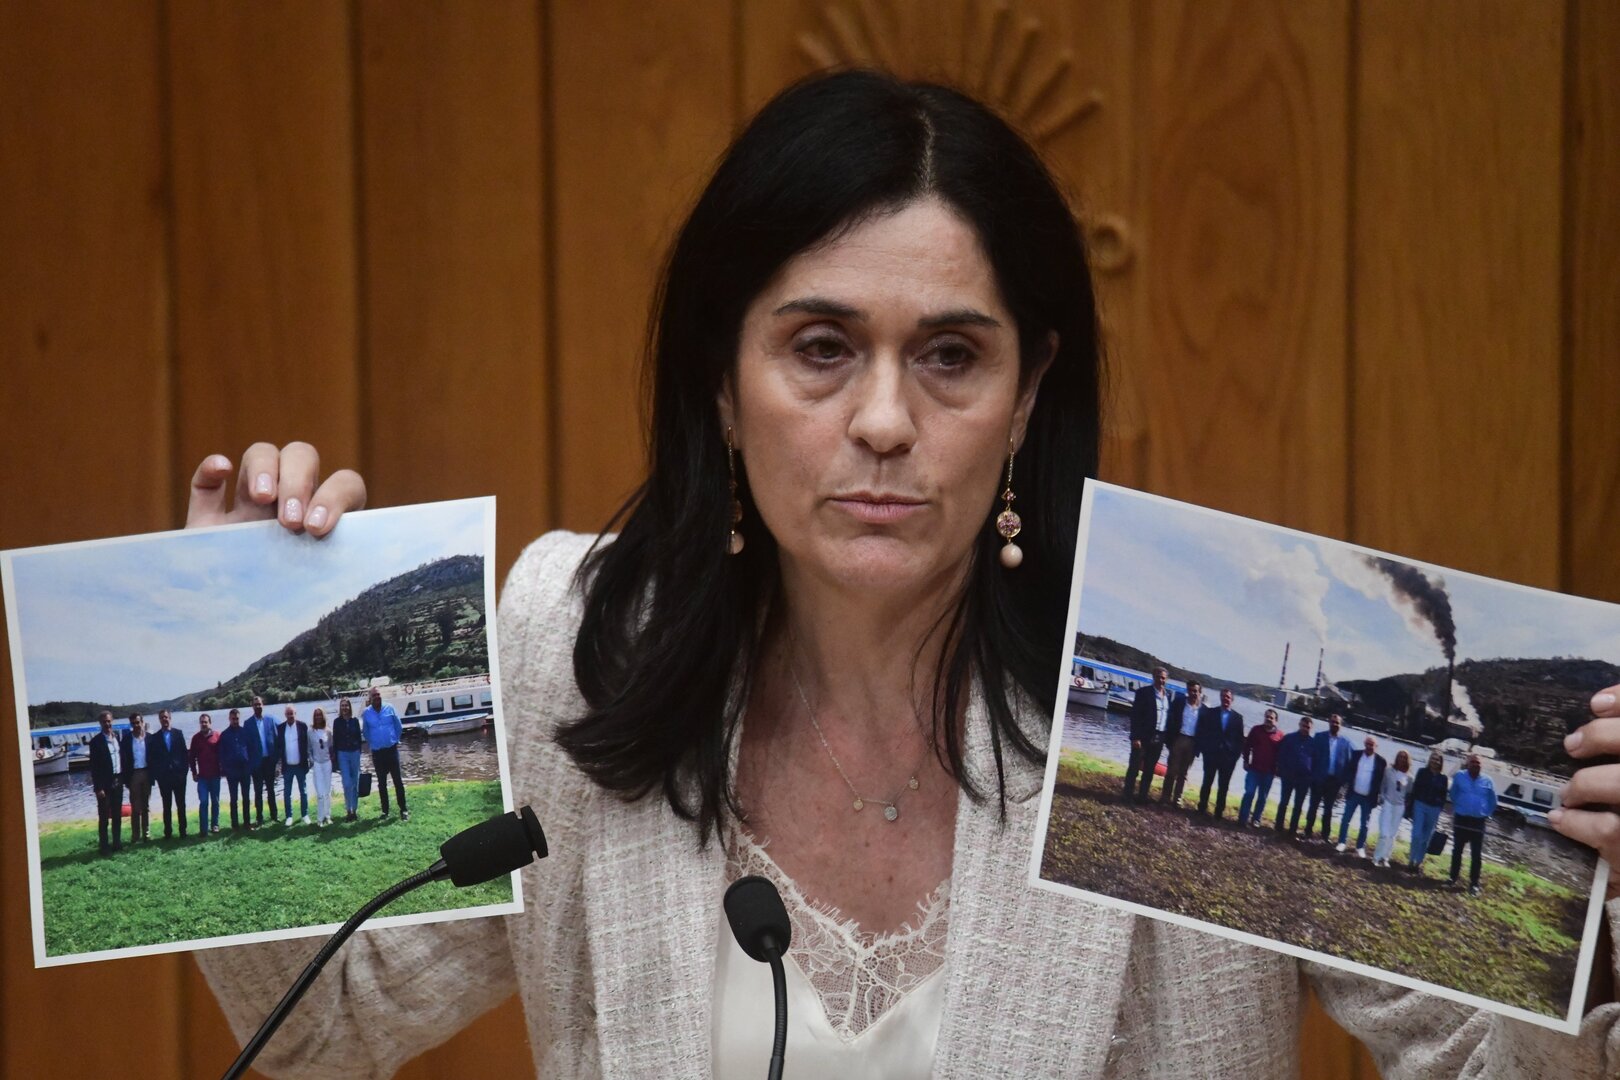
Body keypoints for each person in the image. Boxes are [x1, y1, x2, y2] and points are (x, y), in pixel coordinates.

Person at [188, 72, 1620, 1078]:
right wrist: (219, 628)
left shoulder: (1186, 676)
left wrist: (1608, 951)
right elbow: (329, 1028)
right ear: (721, 379)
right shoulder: (578, 637)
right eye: (820, 348)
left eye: (949, 355)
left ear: (1026, 392)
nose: (884, 420)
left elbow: (1484, 1066)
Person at [1449, 753, 1499, 896]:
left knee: (1476, 854)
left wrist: (1486, 813)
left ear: (1481, 765)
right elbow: (1453, 794)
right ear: (1467, 763)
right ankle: (1452, 877)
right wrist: (1460, 806)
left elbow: (1493, 801)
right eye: (1473, 762)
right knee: (1457, 850)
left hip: (1478, 822)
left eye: (1478, 763)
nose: (1475, 765)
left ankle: (1474, 884)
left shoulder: (1488, 780)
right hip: (1461, 818)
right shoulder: (1459, 776)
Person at [1195, 688, 1245, 819]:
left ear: (1232, 699)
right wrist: (1204, 749)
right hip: (1211, 754)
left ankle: (1218, 812)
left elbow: (1240, 740)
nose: (1225, 699)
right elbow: (1204, 732)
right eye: (1223, 696)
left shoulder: (1238, 718)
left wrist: (1235, 757)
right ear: (1220, 697)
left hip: (1227, 758)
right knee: (1207, 782)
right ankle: (1202, 807)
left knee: (1223, 786)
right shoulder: (1211, 713)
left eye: (1228, 697)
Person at [1303, 713, 1353, 842]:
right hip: (1318, 779)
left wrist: (1343, 782)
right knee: (1313, 806)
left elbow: (1348, 763)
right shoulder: (1319, 737)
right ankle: (1307, 831)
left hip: (1334, 782)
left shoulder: (1346, 743)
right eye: (1332, 722)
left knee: (1328, 809)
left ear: (1341, 725)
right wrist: (1311, 775)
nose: (1334, 724)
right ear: (1329, 722)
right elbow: (1311, 757)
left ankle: (1325, 836)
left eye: (1337, 723)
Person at [1123, 667, 1170, 801]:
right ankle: (1127, 795)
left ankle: (1142, 796)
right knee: (1134, 767)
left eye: (1163, 678)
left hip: (1159, 737)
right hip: (1143, 737)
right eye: (1158, 677)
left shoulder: (1167, 697)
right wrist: (1135, 737)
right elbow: (1135, 716)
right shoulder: (1143, 693)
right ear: (1153, 676)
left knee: (1149, 769)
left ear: (1166, 680)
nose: (1161, 680)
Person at [363, 687, 408, 821]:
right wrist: (374, 743)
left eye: (378, 694)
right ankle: (385, 811)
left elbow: (398, 726)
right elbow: (365, 732)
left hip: (391, 750)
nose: (377, 697)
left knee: (397, 781)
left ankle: (403, 809)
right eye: (374, 695)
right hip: (377, 753)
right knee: (382, 783)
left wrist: (395, 739)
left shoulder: (390, 708)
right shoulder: (366, 713)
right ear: (370, 699)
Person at [1336, 736, 1386, 856]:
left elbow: (1380, 781)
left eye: (1372, 745)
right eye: (1367, 744)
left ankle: (1360, 847)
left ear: (1376, 747)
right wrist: (1342, 788)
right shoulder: (1356, 755)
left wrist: (1379, 796)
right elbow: (1348, 772)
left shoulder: (1381, 761)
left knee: (1365, 824)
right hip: (1353, 794)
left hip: (1368, 797)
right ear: (1364, 744)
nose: (1369, 747)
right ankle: (1342, 842)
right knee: (1345, 819)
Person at [1238, 708, 1284, 827]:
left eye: (1271, 718)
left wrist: (1279, 769)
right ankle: (1243, 818)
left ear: (1276, 721)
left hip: (1269, 772)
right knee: (1249, 793)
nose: (1268, 719)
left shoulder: (1280, 735)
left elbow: (1282, 754)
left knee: (1262, 797)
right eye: (1267, 717)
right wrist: (1245, 760)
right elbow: (1247, 746)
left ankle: (1256, 819)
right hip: (1254, 769)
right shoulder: (1256, 730)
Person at [1406, 749, 1450, 875]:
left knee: (1426, 838)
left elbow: (1443, 796)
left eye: (1437, 759)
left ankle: (1418, 863)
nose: (1434, 761)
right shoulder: (1422, 772)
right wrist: (1410, 808)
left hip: (1434, 809)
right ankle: (1410, 860)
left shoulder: (1443, 778)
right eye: (1433, 758)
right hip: (1420, 805)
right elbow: (1415, 790)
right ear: (1429, 759)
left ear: (1441, 763)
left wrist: (1439, 808)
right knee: (1416, 835)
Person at [1160, 680, 1202, 807]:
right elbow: (1169, 720)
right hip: (1178, 739)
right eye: (1190, 690)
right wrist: (1169, 740)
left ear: (1200, 692)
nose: (1192, 693)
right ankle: (1165, 797)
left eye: (1195, 691)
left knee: (1183, 773)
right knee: (1172, 770)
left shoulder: (1203, 710)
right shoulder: (1178, 703)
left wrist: (1199, 747)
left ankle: (1177, 799)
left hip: (1192, 742)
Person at [148, 709, 190, 838]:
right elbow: (153, 759)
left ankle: (183, 831)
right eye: (162, 718)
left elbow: (184, 754)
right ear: (159, 720)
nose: (164, 719)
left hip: (179, 776)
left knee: (181, 805)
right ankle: (168, 832)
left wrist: (184, 772)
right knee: (167, 806)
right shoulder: (155, 738)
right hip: (164, 777)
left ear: (170, 718)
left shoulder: (178, 733)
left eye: (166, 717)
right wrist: (158, 776)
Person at [87, 711, 123, 854]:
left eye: (109, 721)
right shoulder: (95, 742)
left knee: (117, 815)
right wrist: (98, 788)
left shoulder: (117, 738)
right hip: (104, 784)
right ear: (100, 723)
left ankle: (117, 843)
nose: (107, 724)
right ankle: (104, 846)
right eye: (104, 722)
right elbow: (94, 767)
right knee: (103, 817)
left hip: (117, 780)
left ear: (112, 721)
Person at [1273, 715, 1315, 837]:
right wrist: (1281, 770)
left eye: (1308, 727)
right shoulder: (1289, 738)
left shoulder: (1313, 743)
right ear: (1299, 725)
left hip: (1304, 779)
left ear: (1311, 728)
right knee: (1284, 802)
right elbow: (1281, 755)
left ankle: (1292, 829)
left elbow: (1315, 760)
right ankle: (1278, 826)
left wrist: (1310, 776)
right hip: (1288, 776)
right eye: (1303, 726)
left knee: (1298, 805)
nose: (1305, 728)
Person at [1372, 750, 1413, 867]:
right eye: (1400, 756)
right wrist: (1383, 798)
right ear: (1396, 758)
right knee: (1384, 833)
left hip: (1399, 807)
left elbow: (1409, 793)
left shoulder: (1409, 777)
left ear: (1407, 760)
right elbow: (1383, 785)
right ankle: (1376, 857)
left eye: (1404, 757)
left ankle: (1385, 858)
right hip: (1388, 804)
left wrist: (1405, 805)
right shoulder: (1389, 771)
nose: (1401, 759)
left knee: (1392, 834)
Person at [217, 708, 254, 831]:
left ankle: (247, 823)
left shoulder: (245, 732)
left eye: (237, 718)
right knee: (234, 799)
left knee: (246, 797)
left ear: (239, 718)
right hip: (232, 772)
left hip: (245, 770)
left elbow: (250, 749)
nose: (235, 721)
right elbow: (221, 755)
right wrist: (227, 769)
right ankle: (235, 825)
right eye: (233, 719)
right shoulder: (224, 735)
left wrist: (249, 766)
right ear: (229, 719)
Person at [247, 695, 281, 826]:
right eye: (255, 704)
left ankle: (274, 815)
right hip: (256, 763)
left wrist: (276, 760)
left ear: (263, 705)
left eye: (259, 704)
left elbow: (278, 739)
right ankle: (259, 818)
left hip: (269, 761)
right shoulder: (248, 723)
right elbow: (247, 746)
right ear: (252, 706)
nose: (258, 706)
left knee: (271, 789)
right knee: (258, 791)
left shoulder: (271, 720)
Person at [189, 712, 222, 836]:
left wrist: (223, 770)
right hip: (202, 777)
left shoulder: (217, 736)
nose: (203, 724)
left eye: (205, 722)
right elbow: (191, 757)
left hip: (215, 775)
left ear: (210, 723)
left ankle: (215, 825)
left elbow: (222, 754)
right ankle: (203, 828)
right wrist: (193, 772)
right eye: (201, 722)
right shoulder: (195, 738)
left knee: (215, 801)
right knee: (203, 802)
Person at [121, 713, 152, 843]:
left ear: (142, 722)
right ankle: (135, 836)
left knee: (146, 806)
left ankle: (146, 834)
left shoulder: (150, 738)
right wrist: (126, 779)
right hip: (133, 774)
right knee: (135, 807)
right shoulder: (127, 739)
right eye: (133, 723)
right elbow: (123, 760)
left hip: (147, 773)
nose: (136, 725)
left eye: (138, 722)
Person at [279, 705, 311, 826]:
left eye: (292, 713)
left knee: (303, 791)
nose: (290, 716)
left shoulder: (302, 726)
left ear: (295, 714)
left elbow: (306, 745)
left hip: (300, 765)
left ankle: (305, 814)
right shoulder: (281, 728)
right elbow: (279, 747)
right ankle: (289, 816)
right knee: (287, 792)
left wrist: (308, 760)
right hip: (287, 766)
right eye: (288, 714)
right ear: (285, 715)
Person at [333, 696, 364, 822]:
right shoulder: (337, 722)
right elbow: (335, 740)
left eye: (346, 705)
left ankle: (354, 811)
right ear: (340, 708)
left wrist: (358, 752)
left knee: (355, 782)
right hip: (342, 754)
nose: (344, 708)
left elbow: (358, 738)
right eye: (342, 705)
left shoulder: (355, 721)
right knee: (347, 783)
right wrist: (335, 759)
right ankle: (348, 810)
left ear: (350, 707)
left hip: (354, 753)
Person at [309, 707, 334, 826]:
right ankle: (320, 818)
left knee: (327, 791)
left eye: (320, 714)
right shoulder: (310, 732)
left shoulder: (328, 731)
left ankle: (328, 816)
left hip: (327, 763)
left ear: (323, 716)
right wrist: (311, 760)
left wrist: (331, 759)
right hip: (317, 764)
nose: (318, 717)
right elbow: (308, 748)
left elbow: (331, 747)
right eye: (316, 715)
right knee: (320, 793)